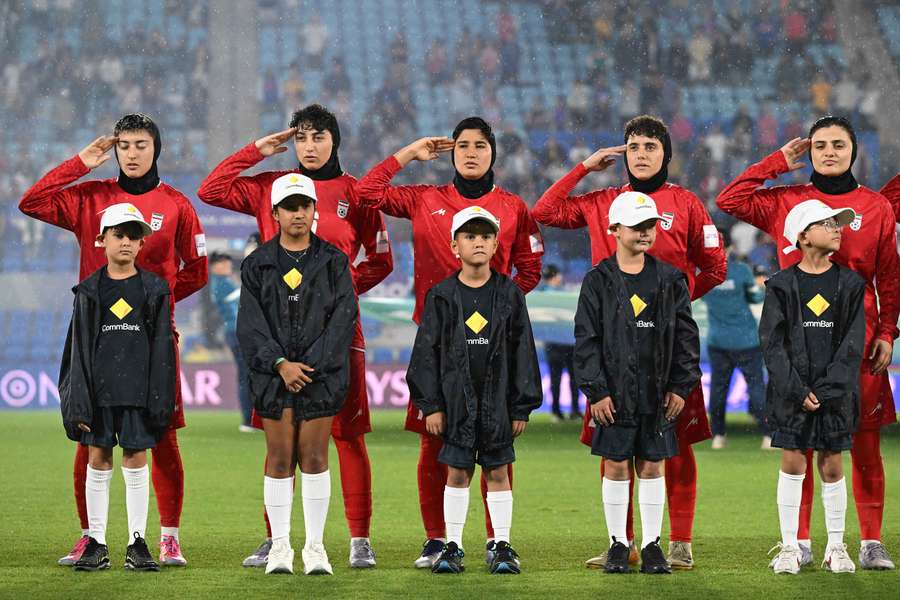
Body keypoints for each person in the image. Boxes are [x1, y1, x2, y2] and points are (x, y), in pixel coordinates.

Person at [198, 104, 391, 568]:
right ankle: (276, 539)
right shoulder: (270, 187)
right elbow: (212, 189)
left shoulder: (357, 193)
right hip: (276, 339)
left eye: (318, 136)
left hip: (339, 334)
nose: (308, 145)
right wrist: (258, 150)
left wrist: (331, 295)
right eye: (301, 137)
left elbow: (381, 260)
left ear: (334, 141)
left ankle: (359, 539)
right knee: (279, 443)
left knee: (347, 435)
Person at [532, 115, 725, 569]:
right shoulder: (602, 201)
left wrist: (670, 305)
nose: (641, 154)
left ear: (665, 155)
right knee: (614, 447)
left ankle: (677, 540)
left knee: (674, 447)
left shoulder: (687, 203)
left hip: (666, 349)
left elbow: (715, 266)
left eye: (651, 147)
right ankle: (624, 541)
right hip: (612, 349)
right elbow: (543, 212)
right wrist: (583, 168)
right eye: (634, 145)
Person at [19, 113, 207, 567]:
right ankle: (91, 537)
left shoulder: (177, 205)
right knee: (90, 435)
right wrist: (81, 162)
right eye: (123, 145)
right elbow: (31, 202)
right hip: (95, 338)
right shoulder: (90, 197)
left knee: (161, 437)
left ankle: (168, 537)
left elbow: (196, 271)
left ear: (155, 148)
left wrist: (152, 308)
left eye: (141, 144)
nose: (131, 153)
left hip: (153, 339)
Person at [357, 116, 543, 569]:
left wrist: (497, 313)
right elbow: (366, 194)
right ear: (452, 153)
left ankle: (497, 542)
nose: (471, 152)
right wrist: (409, 153)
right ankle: (438, 540)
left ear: (493, 153)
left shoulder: (515, 207)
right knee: (433, 444)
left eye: (480, 145)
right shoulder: (427, 198)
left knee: (496, 445)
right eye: (462, 146)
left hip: (492, 351)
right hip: (437, 349)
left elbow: (531, 269)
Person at [717, 116, 900, 569]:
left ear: (854, 151)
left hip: (857, 348)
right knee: (799, 447)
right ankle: (798, 543)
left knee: (863, 444)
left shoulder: (876, 207)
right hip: (797, 349)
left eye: (839, 144)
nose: (828, 152)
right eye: (819, 145)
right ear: (809, 151)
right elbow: (729, 199)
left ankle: (870, 541)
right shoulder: (787, 201)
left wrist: (887, 332)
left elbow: (890, 278)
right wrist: (778, 161)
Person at [408, 207, 542, 574]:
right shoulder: (441, 295)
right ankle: (452, 546)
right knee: (457, 473)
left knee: (498, 472)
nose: (478, 242)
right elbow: (426, 354)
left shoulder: (509, 293)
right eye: (470, 236)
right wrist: (431, 405)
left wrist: (521, 406)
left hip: (498, 403)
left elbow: (523, 351)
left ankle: (501, 545)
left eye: (485, 236)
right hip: (455, 405)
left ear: (497, 244)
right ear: (454, 246)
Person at [574, 191, 701, 575]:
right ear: (614, 229)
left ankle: (650, 546)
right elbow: (586, 340)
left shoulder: (669, 279)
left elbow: (686, 338)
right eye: (637, 226)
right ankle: (618, 544)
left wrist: (681, 387)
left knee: (651, 466)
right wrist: (596, 391)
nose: (646, 233)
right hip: (612, 396)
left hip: (658, 394)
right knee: (615, 465)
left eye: (651, 226)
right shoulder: (597, 280)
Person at [237, 173, 357, 575]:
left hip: (321, 375)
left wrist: (309, 366)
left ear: (314, 210)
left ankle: (316, 548)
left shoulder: (334, 261)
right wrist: (280, 364)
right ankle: (281, 548)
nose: (298, 214)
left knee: (314, 456)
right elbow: (250, 325)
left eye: (304, 206)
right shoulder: (257, 263)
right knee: (280, 457)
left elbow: (342, 320)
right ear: (275, 214)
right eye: (290, 207)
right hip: (273, 376)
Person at [59, 203, 175, 572]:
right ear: (101, 240)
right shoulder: (89, 291)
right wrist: (79, 400)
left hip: (139, 392)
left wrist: (161, 398)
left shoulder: (155, 289)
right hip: (99, 392)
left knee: (136, 460)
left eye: (134, 236)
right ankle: (97, 541)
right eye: (119, 235)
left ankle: (137, 542)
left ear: (142, 244)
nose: (126, 242)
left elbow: (162, 350)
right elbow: (78, 351)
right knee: (98, 459)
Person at [760, 200, 866, 575]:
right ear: (802, 237)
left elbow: (853, 344)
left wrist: (825, 389)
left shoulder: (851, 284)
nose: (837, 228)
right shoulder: (780, 285)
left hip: (834, 397)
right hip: (792, 396)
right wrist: (796, 389)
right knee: (792, 463)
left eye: (838, 223)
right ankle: (790, 547)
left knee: (833, 464)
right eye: (827, 223)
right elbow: (772, 344)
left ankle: (836, 546)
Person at [701, 228, 768, 449]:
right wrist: (762, 286)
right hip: (746, 340)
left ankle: (719, 436)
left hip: (718, 340)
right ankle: (768, 436)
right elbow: (755, 296)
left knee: (718, 390)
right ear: (730, 246)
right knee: (757, 387)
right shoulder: (740, 270)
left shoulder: (704, 273)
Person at [208, 252, 251, 432]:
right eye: (221, 262)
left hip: (235, 332)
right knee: (246, 375)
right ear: (213, 267)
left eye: (227, 262)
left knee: (246, 375)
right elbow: (247, 297)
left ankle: (250, 419)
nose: (226, 265)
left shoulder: (222, 282)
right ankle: (249, 420)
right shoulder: (222, 283)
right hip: (237, 332)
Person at [538, 264, 581, 421]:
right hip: (569, 342)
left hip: (552, 344)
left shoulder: (541, 295)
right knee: (574, 379)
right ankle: (575, 410)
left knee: (555, 379)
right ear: (557, 276)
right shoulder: (564, 295)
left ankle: (556, 411)